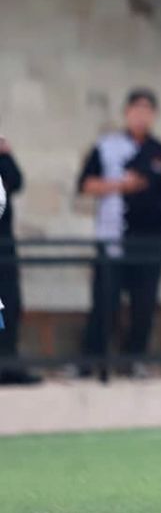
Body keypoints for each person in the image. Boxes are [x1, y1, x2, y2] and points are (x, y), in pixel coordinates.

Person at [77, 90, 161, 376]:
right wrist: (121, 185)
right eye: (136, 109)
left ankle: (134, 360)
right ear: (126, 113)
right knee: (104, 301)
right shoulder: (106, 147)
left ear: (154, 115)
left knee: (143, 304)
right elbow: (86, 184)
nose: (141, 115)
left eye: (147, 110)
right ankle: (90, 362)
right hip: (113, 239)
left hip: (150, 242)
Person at [0, 137, 39, 386]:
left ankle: (8, 364)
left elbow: (15, 182)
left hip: (3, 247)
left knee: (8, 307)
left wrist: (5, 154)